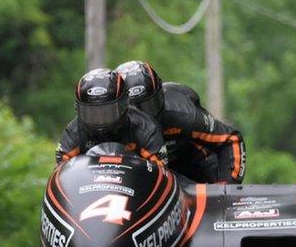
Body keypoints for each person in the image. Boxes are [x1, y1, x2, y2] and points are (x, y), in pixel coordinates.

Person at [116, 60, 245, 183]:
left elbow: (230, 138)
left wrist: (225, 188)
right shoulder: (108, 127)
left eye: (149, 105)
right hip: (138, 180)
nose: (144, 118)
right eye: (134, 110)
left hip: (195, 170)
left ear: (160, 95)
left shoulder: (184, 114)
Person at [55, 68, 168, 166]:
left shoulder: (145, 129)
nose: (100, 120)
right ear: (78, 109)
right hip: (90, 186)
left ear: (124, 105)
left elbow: (160, 171)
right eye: (92, 113)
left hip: (135, 185)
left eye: (107, 112)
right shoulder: (74, 132)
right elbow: (61, 171)